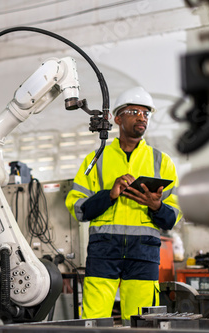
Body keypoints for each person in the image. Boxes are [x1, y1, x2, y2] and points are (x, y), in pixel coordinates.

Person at [65, 86, 182, 325]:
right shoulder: (95, 160)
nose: (142, 117)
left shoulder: (162, 162)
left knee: (143, 324)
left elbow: (173, 217)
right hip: (103, 252)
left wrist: (156, 206)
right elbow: (79, 208)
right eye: (134, 111)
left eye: (146, 113)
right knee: (93, 322)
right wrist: (110, 194)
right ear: (118, 118)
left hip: (144, 253)